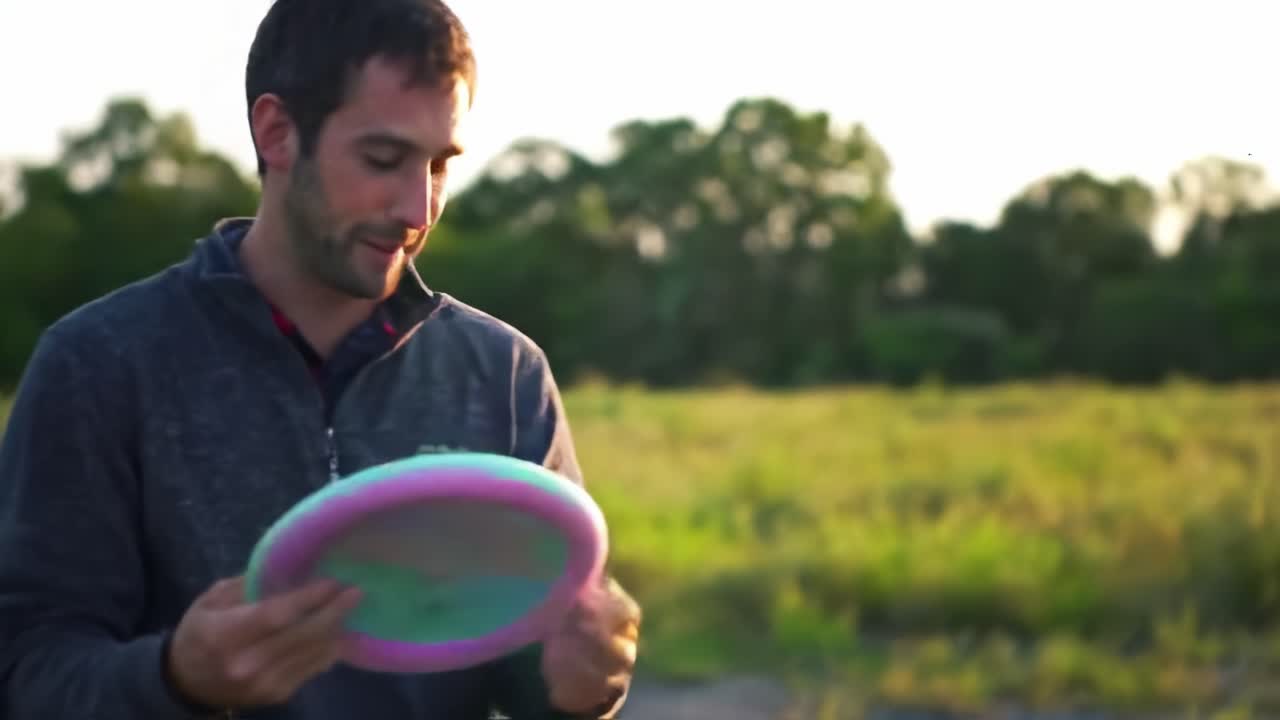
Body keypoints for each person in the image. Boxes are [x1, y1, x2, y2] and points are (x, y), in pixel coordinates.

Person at [0, 0, 640, 718]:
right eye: (383, 159)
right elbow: (27, 672)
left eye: (439, 165)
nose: (419, 208)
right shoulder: (100, 365)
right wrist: (176, 677)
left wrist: (581, 688)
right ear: (276, 132)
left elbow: (528, 676)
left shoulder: (506, 376)